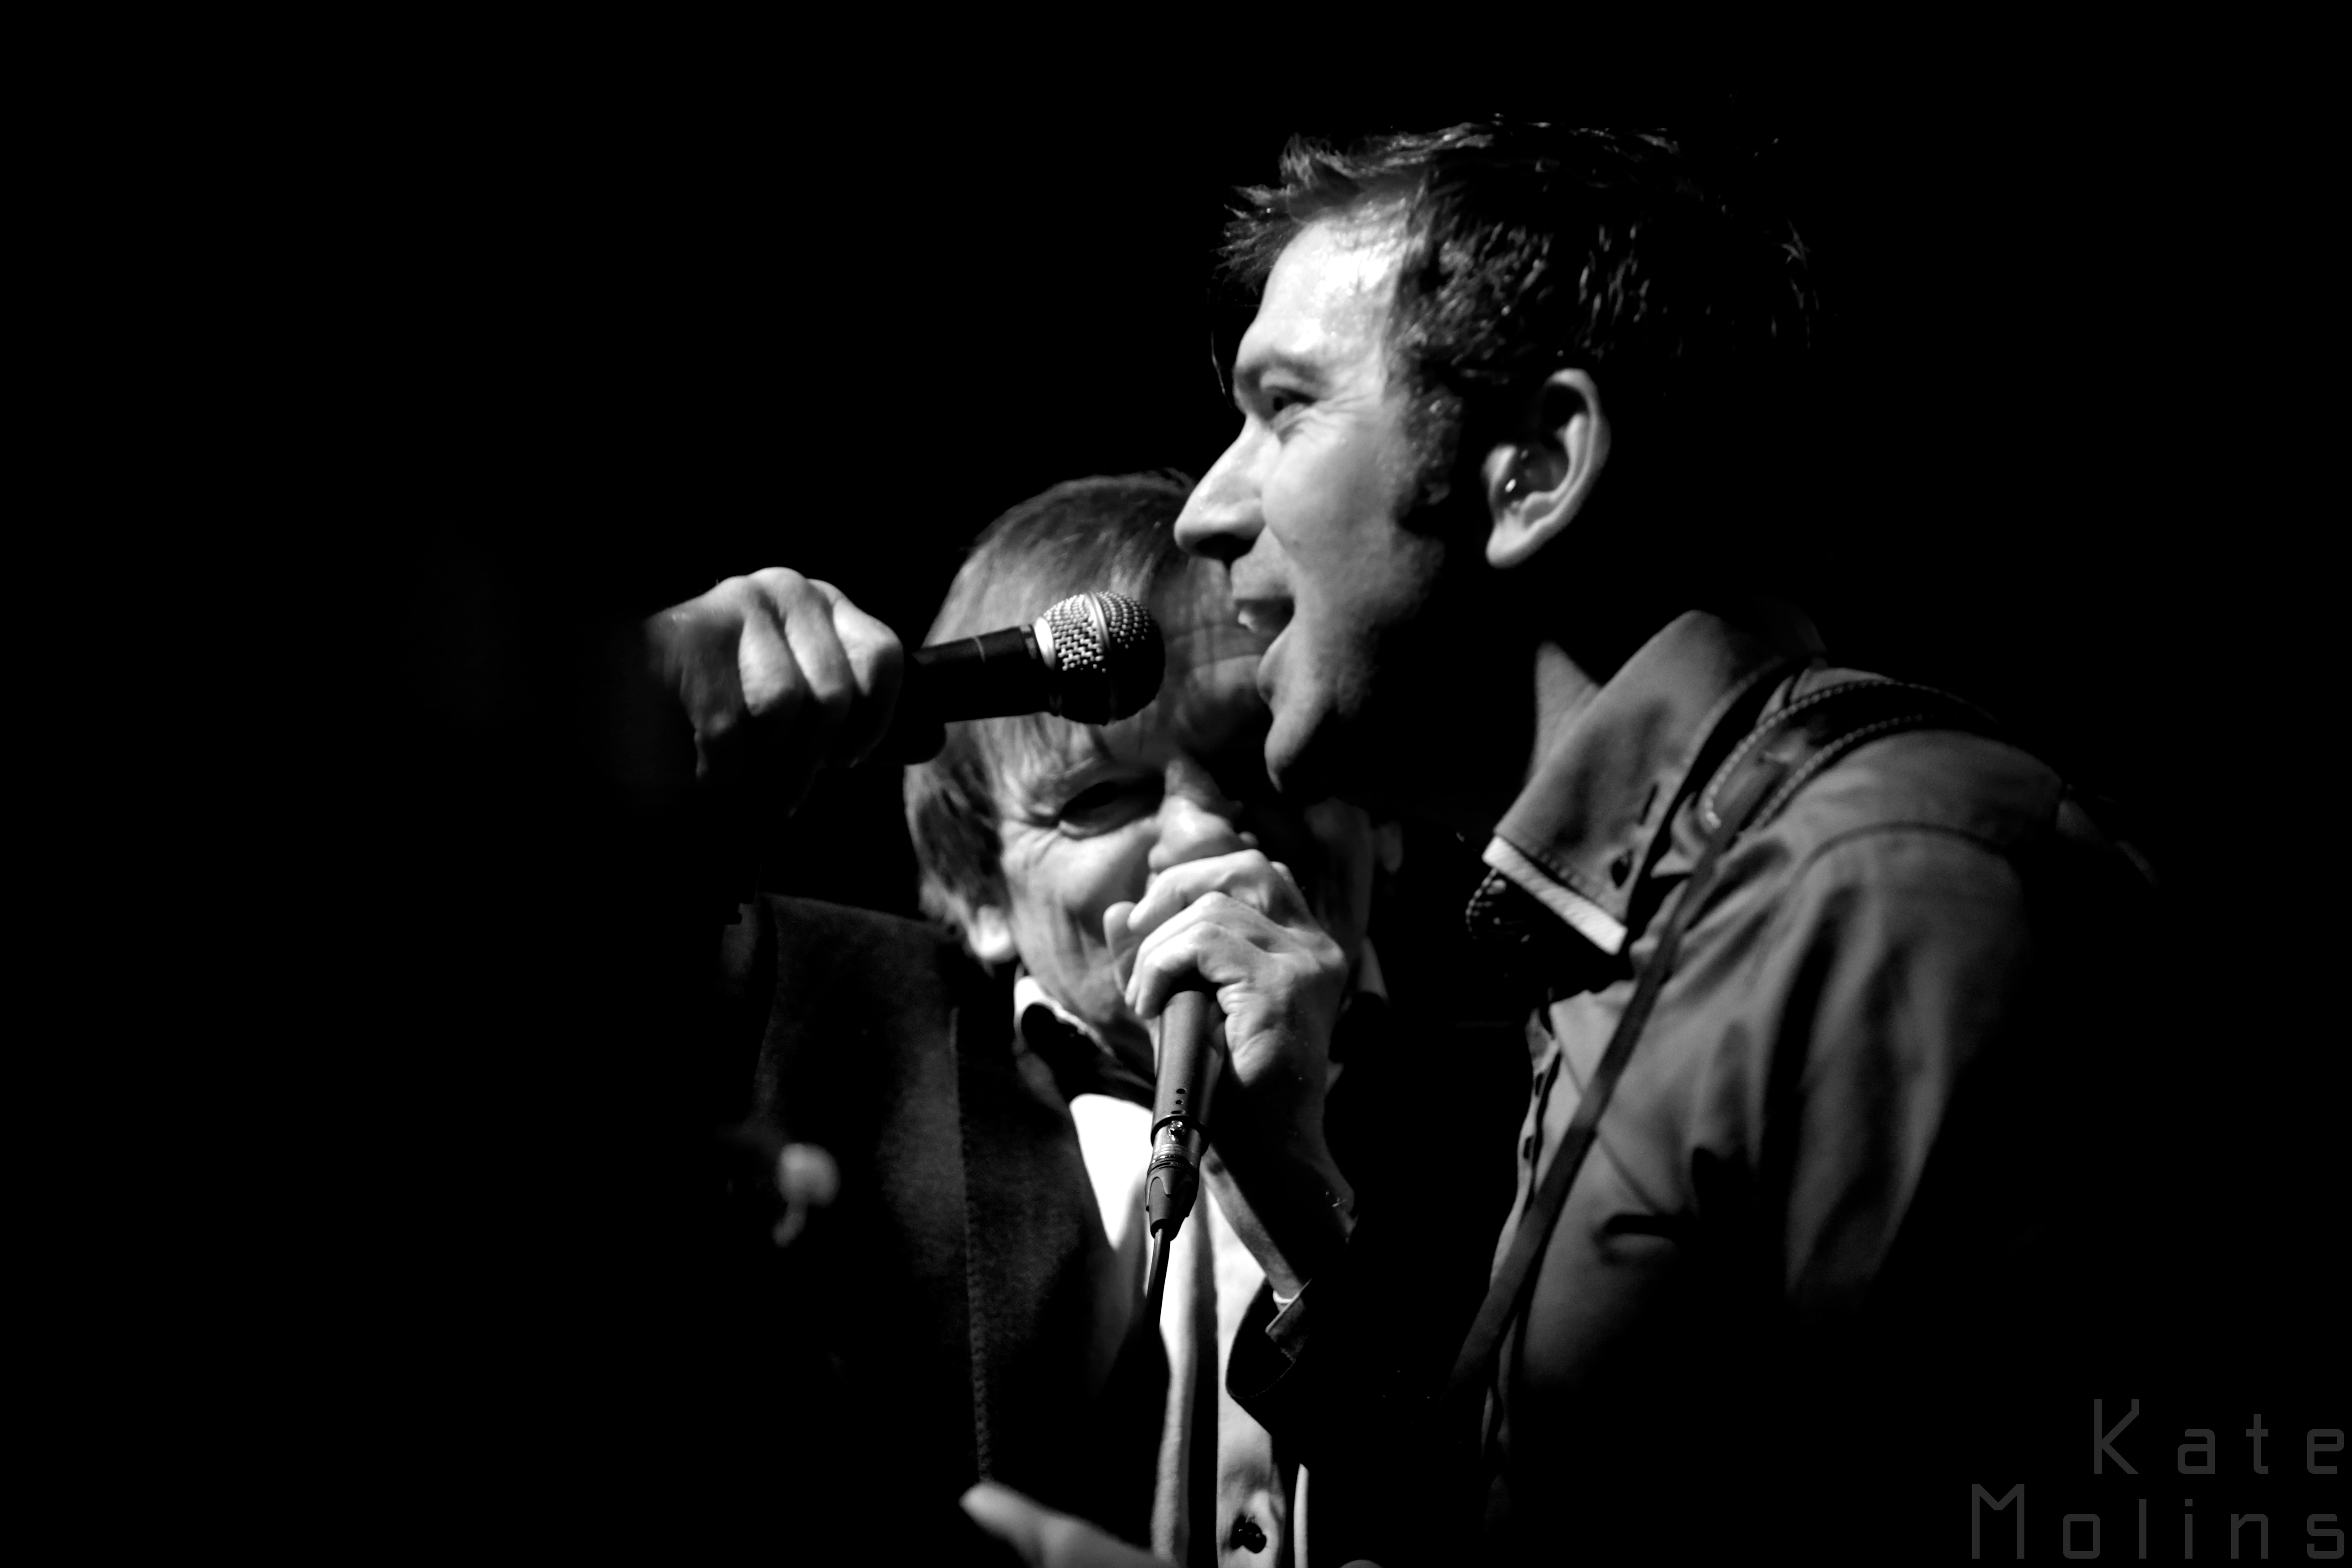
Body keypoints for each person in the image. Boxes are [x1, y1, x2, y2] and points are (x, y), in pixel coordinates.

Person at [1100, 122, 2168, 1562]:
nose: (1205, 512)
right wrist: (1292, 1179)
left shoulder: (1889, 889)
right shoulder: (1648, 917)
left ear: (1536, 468)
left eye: (1284, 409)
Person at [653, 473, 1482, 1564]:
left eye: (1259, 761)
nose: (1202, 838)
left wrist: (1304, 1207)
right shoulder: (811, 1020)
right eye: (1098, 800)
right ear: (978, 893)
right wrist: (625, 732)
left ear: (1383, 818)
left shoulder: (1546, 1093)